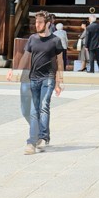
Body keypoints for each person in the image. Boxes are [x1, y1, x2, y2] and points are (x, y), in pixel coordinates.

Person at [7, 11, 64, 154]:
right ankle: (41, 135)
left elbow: (60, 61)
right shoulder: (32, 39)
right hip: (34, 78)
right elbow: (25, 57)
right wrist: (15, 70)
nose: (36, 25)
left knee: (43, 106)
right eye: (36, 22)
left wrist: (59, 82)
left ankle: (33, 141)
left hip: (48, 78)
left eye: (40, 22)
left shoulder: (55, 40)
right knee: (33, 110)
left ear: (48, 24)